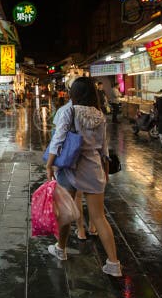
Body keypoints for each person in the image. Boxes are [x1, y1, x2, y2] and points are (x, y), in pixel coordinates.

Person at [45, 76, 121, 277]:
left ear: (74, 94)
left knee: (66, 213)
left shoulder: (69, 111)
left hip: (71, 167)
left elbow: (58, 139)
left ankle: (60, 250)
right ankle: (114, 263)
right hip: (94, 168)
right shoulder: (99, 114)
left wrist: (49, 164)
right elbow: (104, 146)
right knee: (99, 217)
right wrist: (105, 170)